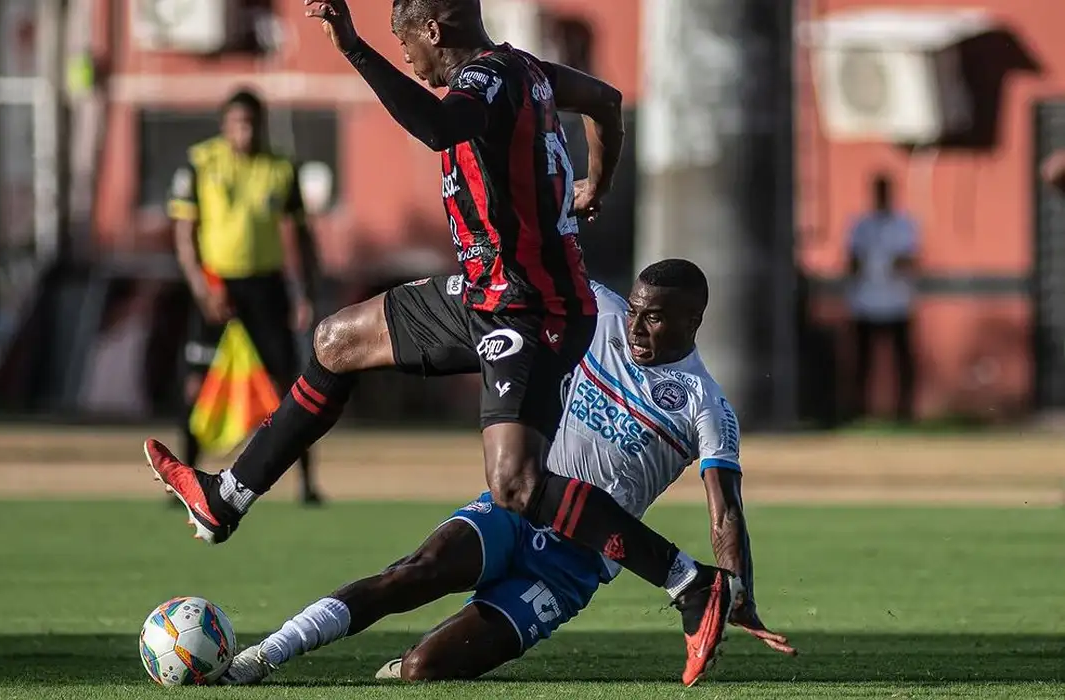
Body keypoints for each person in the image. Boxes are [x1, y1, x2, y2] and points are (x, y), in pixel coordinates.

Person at [146, 0, 737, 682]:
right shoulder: (529, 73)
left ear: (433, 30)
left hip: (531, 308)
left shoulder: (485, 81)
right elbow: (605, 100)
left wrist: (354, 48)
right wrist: (594, 184)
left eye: (406, 44)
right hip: (483, 292)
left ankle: (689, 582)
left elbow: (437, 127)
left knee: (514, 482)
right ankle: (227, 496)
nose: (407, 59)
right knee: (336, 341)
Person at [218, 260, 796, 688]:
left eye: (656, 318)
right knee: (413, 574)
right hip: (516, 508)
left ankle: (419, 659)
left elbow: (726, 511)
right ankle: (264, 656)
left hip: (572, 566)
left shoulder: (705, 406)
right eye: (636, 310)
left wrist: (737, 590)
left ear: (693, 320)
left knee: (423, 670)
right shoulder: (598, 314)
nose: (637, 327)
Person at [168, 88, 323, 505]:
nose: (246, 132)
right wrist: (201, 289)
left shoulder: (280, 168)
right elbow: (184, 234)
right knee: (195, 384)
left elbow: (301, 236)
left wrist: (305, 293)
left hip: (266, 287)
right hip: (216, 285)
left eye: (252, 123)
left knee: (291, 386)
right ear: (224, 125)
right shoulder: (201, 162)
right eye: (238, 123)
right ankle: (185, 479)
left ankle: (306, 482)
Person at [845, 172, 919, 423]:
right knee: (863, 362)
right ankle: (859, 410)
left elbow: (908, 259)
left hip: (897, 302)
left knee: (902, 361)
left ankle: (904, 411)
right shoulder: (861, 226)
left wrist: (881, 262)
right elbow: (851, 261)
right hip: (866, 302)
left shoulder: (903, 224)